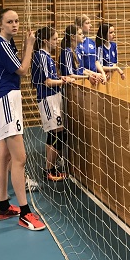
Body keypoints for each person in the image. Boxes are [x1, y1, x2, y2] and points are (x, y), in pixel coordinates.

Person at [0, 9, 45, 231]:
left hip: (4, 101)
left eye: (17, 21)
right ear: (0, 25)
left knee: (5, 155)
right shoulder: (0, 45)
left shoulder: (6, 44)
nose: (15, 25)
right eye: (10, 22)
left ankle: (3, 206)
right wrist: (30, 46)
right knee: (20, 158)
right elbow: (23, 70)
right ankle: (25, 213)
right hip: (6, 101)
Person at [32, 27, 74, 182]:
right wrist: (64, 81)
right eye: (54, 39)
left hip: (54, 97)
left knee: (57, 133)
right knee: (56, 133)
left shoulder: (47, 56)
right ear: (45, 41)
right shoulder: (41, 56)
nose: (57, 42)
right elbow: (47, 81)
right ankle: (48, 170)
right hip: (48, 98)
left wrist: (61, 78)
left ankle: (52, 167)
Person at [74, 15, 106, 83]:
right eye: (87, 23)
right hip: (83, 79)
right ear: (79, 26)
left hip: (95, 78)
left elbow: (96, 61)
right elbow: (78, 67)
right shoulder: (76, 44)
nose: (90, 25)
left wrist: (102, 73)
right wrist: (93, 74)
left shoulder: (91, 42)